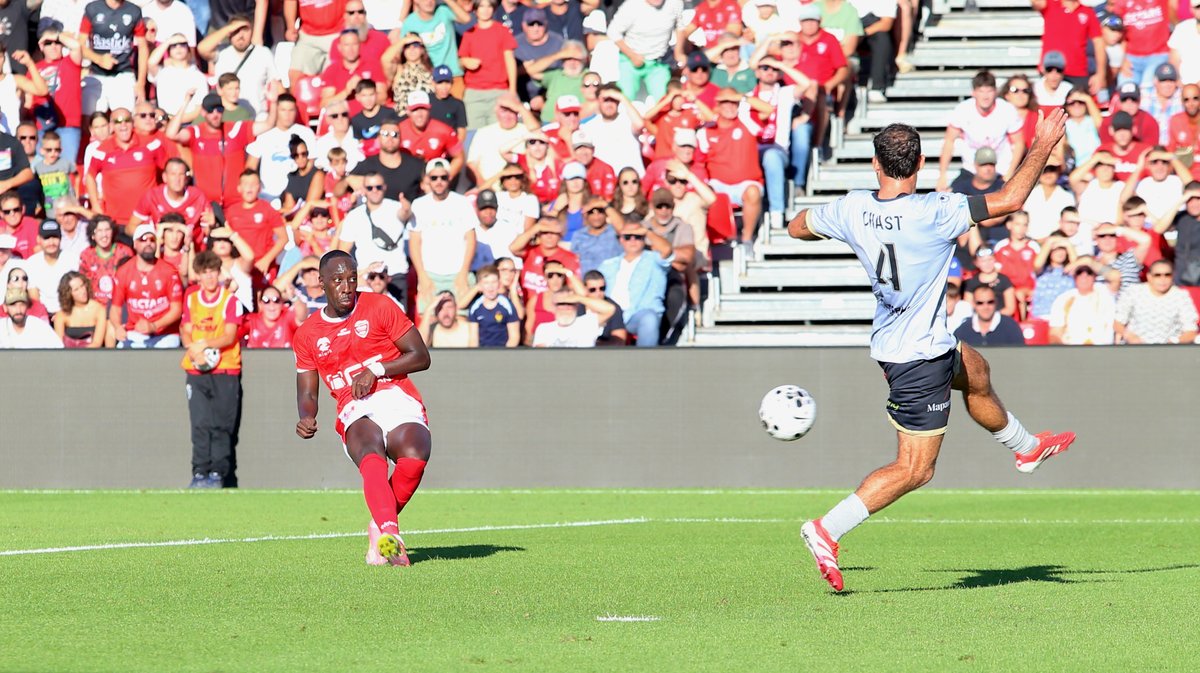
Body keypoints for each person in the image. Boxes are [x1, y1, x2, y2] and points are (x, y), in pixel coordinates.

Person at [785, 111, 1077, 592]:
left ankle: (1027, 449)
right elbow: (1011, 198)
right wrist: (1043, 142)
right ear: (920, 162)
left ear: (875, 165)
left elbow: (798, 227)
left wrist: (824, 226)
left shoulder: (852, 207)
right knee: (916, 470)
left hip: (918, 342)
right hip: (915, 357)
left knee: (976, 371)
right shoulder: (936, 210)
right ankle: (825, 529)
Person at [293, 249, 433, 567]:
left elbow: (421, 356)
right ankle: (391, 533)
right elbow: (307, 389)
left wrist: (378, 369)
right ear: (322, 282)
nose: (346, 286)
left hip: (395, 392)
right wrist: (306, 415)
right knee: (371, 452)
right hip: (353, 406)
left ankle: (378, 526)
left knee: (415, 455)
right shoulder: (308, 334)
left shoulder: (379, 306)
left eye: (352, 279)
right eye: (338, 280)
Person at [180, 250, 244, 489]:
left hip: (225, 368)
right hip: (197, 370)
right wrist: (192, 347)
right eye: (204, 273)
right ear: (198, 275)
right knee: (199, 422)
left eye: (212, 272)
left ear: (219, 273)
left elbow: (229, 335)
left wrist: (203, 344)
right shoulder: (191, 298)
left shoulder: (229, 300)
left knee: (222, 424)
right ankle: (199, 473)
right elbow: (185, 329)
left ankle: (218, 473)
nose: (208, 278)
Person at [937, 71, 1026, 192]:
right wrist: (942, 175)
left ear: (995, 92)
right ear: (973, 93)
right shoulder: (963, 110)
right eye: (981, 91)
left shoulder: (1007, 110)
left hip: (999, 172)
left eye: (989, 91)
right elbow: (949, 140)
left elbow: (1019, 143)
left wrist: (1010, 172)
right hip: (971, 170)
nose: (985, 96)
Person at [409, 158, 478, 311]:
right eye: (434, 178)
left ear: (449, 178)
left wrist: (463, 272)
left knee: (462, 318)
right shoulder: (419, 205)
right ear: (428, 180)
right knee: (428, 320)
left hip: (458, 274)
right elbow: (414, 242)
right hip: (430, 275)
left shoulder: (462, 203)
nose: (439, 182)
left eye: (443, 177)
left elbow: (471, 239)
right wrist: (422, 275)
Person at [337, 171, 412, 308]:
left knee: (399, 325)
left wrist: (407, 209)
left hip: (394, 276)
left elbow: (404, 214)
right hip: (367, 278)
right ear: (363, 190)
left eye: (378, 187)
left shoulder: (395, 207)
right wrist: (356, 277)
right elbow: (343, 252)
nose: (374, 191)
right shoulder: (354, 216)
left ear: (384, 187)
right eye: (370, 188)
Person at [598, 220, 673, 347]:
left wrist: (646, 231)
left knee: (649, 319)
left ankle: (644, 363)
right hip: (610, 314)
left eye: (638, 237)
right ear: (621, 240)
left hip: (637, 315)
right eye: (627, 237)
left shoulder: (654, 259)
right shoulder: (607, 265)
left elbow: (667, 250)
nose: (633, 240)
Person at [110, 223, 185, 348]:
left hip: (165, 333)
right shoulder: (123, 271)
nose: (148, 243)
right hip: (135, 332)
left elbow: (177, 309)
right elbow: (115, 308)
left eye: (152, 239)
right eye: (143, 240)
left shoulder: (169, 271)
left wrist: (154, 325)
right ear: (135, 244)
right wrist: (117, 327)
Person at [607, 0, 686, 102]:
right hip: (630, 61)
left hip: (659, 62)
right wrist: (632, 55)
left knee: (664, 101)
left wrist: (679, 52)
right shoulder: (631, 6)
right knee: (625, 99)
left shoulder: (675, 3)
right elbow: (613, 32)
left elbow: (680, 26)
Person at [1114, 259, 1199, 344]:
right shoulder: (1134, 292)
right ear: (1149, 276)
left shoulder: (1181, 296)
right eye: (1157, 275)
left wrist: (1175, 341)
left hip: (1169, 351)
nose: (1163, 279)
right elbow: (1118, 322)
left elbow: (1191, 331)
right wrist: (1129, 336)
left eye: (1167, 275)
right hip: (1136, 348)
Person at [1048, 261, 1116, 344]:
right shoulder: (1064, 299)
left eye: (1089, 273)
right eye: (1079, 273)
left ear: (1094, 277)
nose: (1084, 276)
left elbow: (1116, 277)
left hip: (1102, 350)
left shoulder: (1104, 292)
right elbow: (1055, 333)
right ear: (1075, 278)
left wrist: (1087, 260)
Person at [531, 287, 615, 346]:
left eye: (570, 303)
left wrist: (579, 298)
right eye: (561, 303)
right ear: (554, 306)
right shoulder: (544, 329)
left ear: (576, 305)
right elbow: (540, 357)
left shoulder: (587, 323)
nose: (566, 307)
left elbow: (610, 309)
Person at [465, 264, 520, 347]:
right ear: (480, 285)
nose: (490, 287)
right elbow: (473, 339)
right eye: (486, 283)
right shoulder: (475, 308)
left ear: (499, 283)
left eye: (493, 282)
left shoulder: (507, 306)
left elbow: (514, 337)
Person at [954, 285, 1027, 346]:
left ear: (996, 302)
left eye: (990, 302)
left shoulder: (1011, 326)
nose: (986, 307)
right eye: (980, 303)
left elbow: (1019, 355)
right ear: (973, 304)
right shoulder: (963, 330)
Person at [53, 271, 108, 348]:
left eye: (82, 286)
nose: (82, 291)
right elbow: (59, 345)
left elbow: (97, 343)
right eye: (76, 290)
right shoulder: (61, 315)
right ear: (68, 294)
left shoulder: (99, 310)